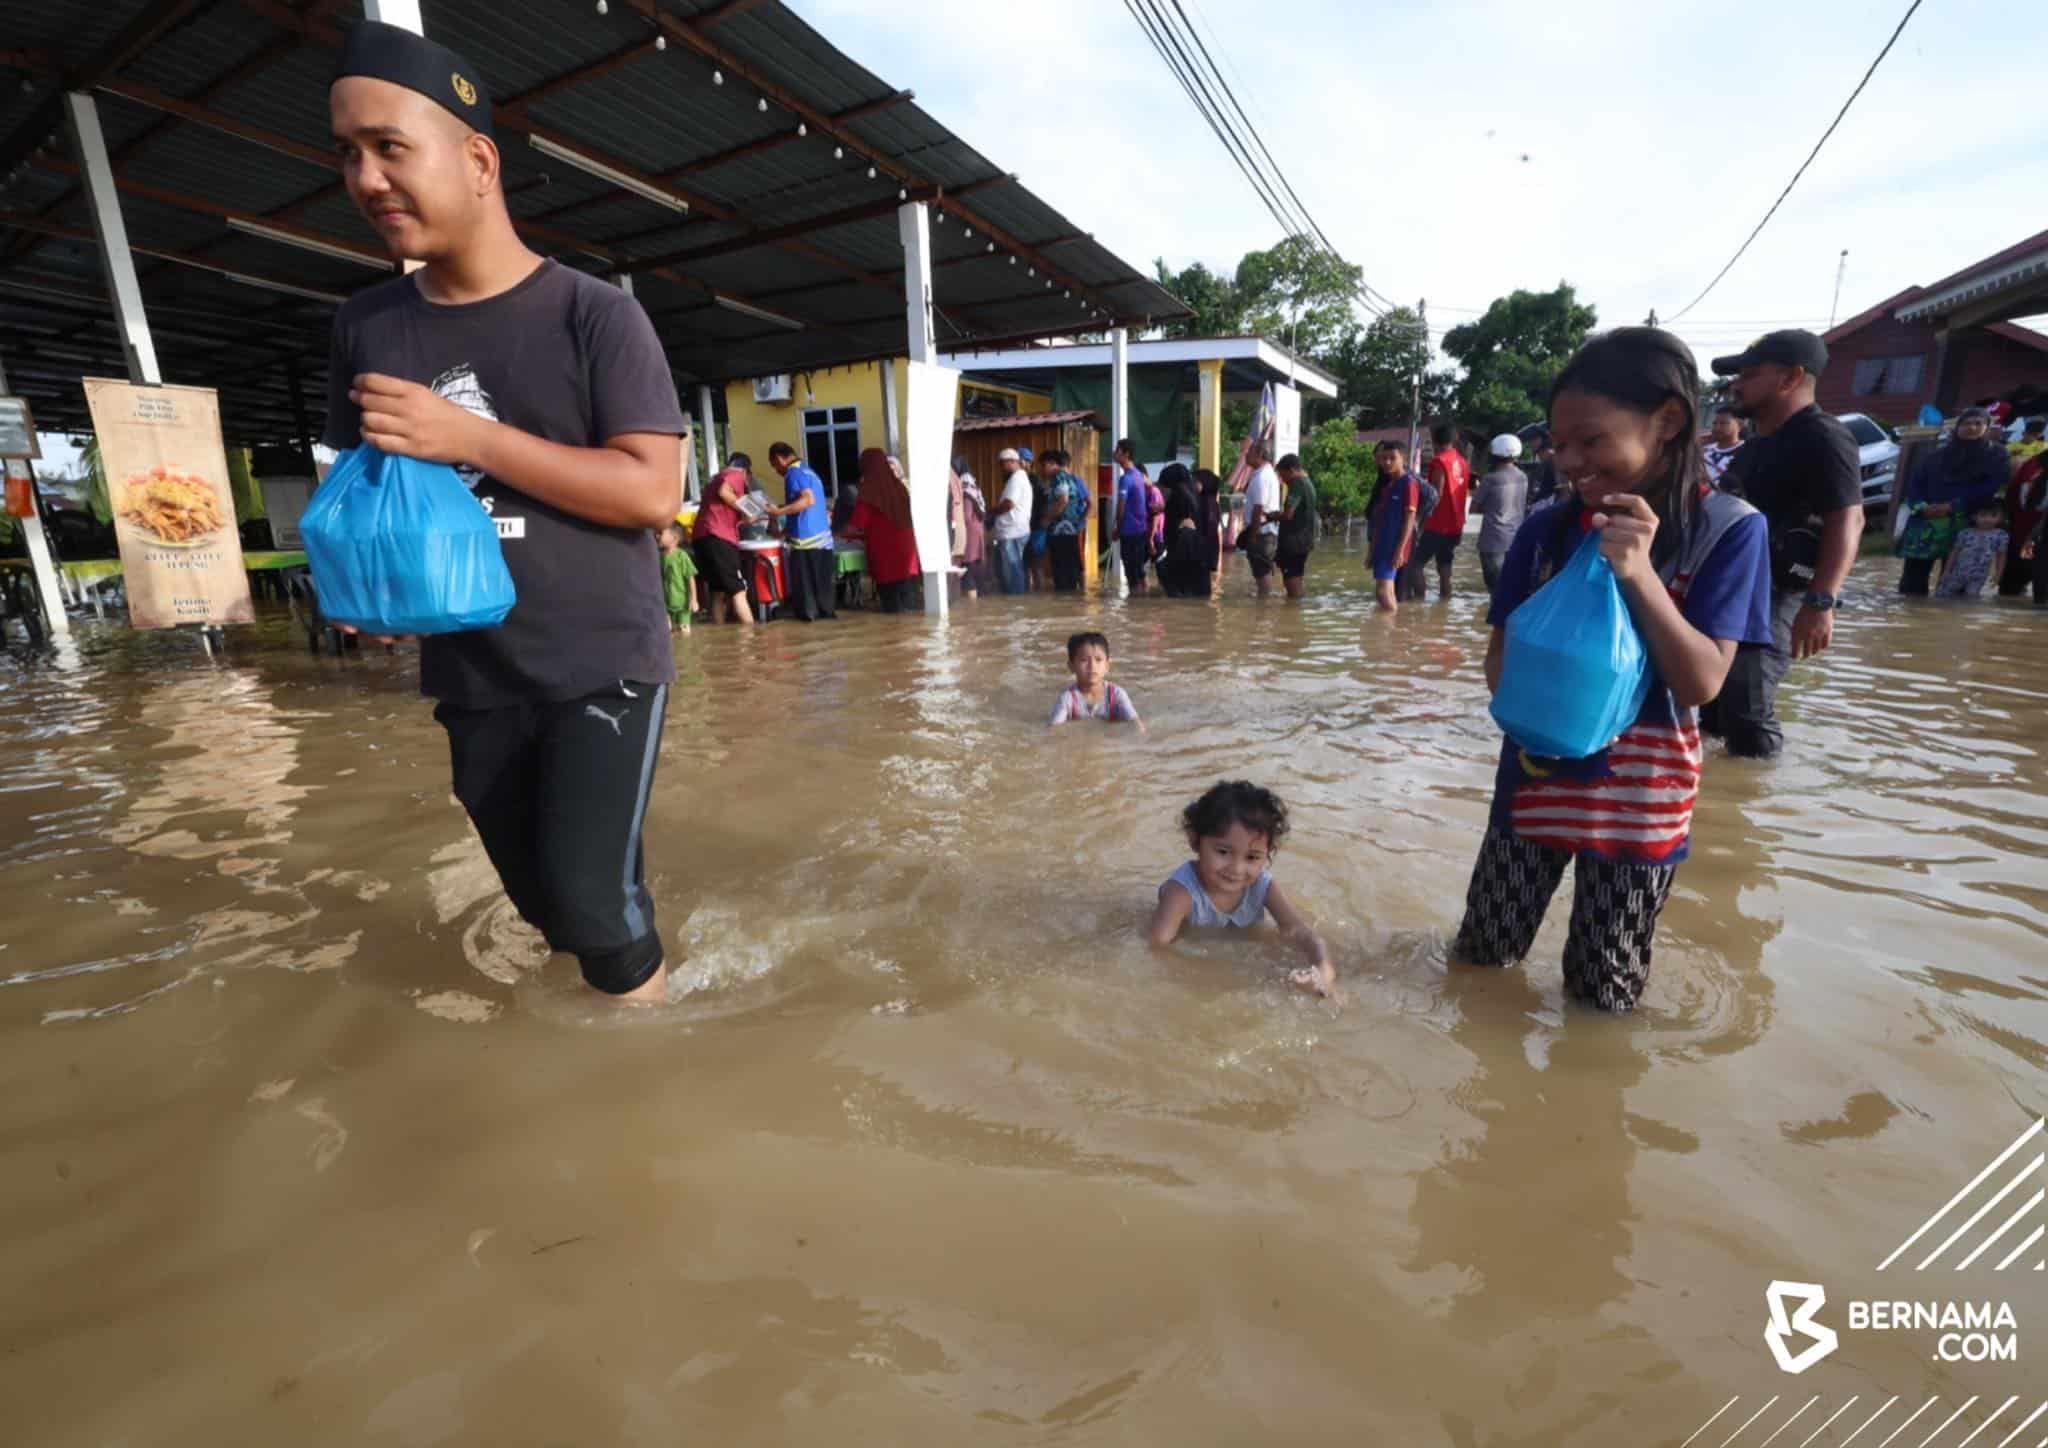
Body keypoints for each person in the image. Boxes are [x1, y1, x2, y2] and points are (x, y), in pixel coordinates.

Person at [325, 21, 687, 1003]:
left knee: (594, 908)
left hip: (597, 663)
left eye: (389, 147)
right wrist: (359, 586)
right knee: (540, 905)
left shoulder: (593, 314)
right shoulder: (365, 325)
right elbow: (362, 488)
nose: (365, 178)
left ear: (477, 159)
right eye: (348, 155)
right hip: (471, 670)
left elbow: (653, 489)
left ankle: (655, 1099)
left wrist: (469, 436)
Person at [1452, 328, 1773, 1012]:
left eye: (1590, 440)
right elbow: (1498, 666)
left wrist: (1636, 574)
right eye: (1559, 444)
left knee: (1605, 992)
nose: (1568, 460)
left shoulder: (1729, 530)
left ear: (1669, 421)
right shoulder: (1546, 530)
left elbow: (1701, 684)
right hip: (1535, 786)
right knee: (1483, 961)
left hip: (1641, 804)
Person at [1701, 329, 1863, 758]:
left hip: (1780, 593)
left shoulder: (1823, 437)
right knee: (1711, 707)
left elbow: (1849, 517)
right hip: (1734, 589)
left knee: (1748, 715)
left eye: (1749, 375)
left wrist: (1821, 602)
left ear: (1791, 379)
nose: (1736, 384)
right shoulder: (1756, 445)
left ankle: (1753, 806)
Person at [1146, 780, 1337, 1000]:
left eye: (1252, 857)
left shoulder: (1263, 886)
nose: (1236, 869)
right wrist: (1223, 977)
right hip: (1201, 952)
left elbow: (1299, 931)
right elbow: (1158, 948)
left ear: (1268, 854)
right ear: (1195, 841)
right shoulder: (1180, 894)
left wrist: (1324, 972)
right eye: (1224, 852)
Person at [1894, 407, 2008, 597]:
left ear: (1987, 428)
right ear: (1957, 428)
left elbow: (1990, 487)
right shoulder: (1936, 456)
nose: (1971, 427)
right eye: (1966, 423)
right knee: (1911, 583)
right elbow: (1916, 484)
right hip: (1926, 522)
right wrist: (1921, 506)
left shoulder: (1996, 455)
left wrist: (1954, 506)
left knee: (1957, 583)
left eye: (1978, 423)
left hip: (1967, 523)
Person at [840, 448, 922, 612]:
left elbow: (857, 525)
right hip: (909, 557)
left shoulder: (869, 490)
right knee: (910, 607)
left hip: (886, 560)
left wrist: (837, 533)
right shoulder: (900, 487)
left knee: (892, 613)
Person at [765, 442, 835, 622]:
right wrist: (784, 532)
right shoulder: (809, 471)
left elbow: (807, 500)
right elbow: (804, 511)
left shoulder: (793, 473)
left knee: (807, 602)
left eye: (774, 465)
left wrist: (778, 512)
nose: (776, 471)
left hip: (806, 544)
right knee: (824, 598)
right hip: (823, 542)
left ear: (779, 458)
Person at [1366, 440, 1430, 614]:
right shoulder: (1388, 485)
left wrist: (1401, 549)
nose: (1387, 462)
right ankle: (1392, 631)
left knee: (1383, 593)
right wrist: (1372, 550)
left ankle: (1390, 630)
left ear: (1403, 458)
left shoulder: (1409, 483)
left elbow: (1410, 519)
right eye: (1383, 458)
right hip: (1381, 544)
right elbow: (1378, 521)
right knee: (1386, 591)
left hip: (1393, 546)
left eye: (1392, 458)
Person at [692, 460, 756, 625]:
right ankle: (753, 638)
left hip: (701, 538)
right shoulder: (735, 474)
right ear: (747, 472)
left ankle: (719, 634)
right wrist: (748, 509)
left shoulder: (714, 481)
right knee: (738, 590)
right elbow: (724, 492)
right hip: (718, 538)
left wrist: (749, 515)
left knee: (717, 591)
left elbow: (733, 513)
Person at [1412, 422, 1471, 600]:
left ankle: (1417, 604)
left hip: (1438, 523)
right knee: (1444, 563)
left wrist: (1419, 520)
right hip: (1456, 524)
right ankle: (1445, 602)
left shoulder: (1440, 461)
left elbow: (1435, 494)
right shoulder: (1462, 462)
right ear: (1455, 440)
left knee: (1415, 564)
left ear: (1435, 441)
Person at [1048, 631, 1144, 729]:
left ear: (1107, 666)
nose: (1092, 666)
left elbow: (1136, 724)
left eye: (1098, 660)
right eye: (1084, 660)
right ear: (1071, 666)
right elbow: (1053, 729)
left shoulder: (1116, 694)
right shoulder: (1067, 698)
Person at [1472, 433, 1527, 592]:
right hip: (1515, 538)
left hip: (1492, 541)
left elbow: (1473, 508)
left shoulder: (1490, 479)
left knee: (1495, 590)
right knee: (1510, 587)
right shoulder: (1523, 477)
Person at [1935, 499, 2009, 599]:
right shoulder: (1965, 533)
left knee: (1971, 599)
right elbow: (1954, 553)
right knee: (1942, 595)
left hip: (1978, 577)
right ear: (1974, 517)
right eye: (1983, 515)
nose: (1988, 519)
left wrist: (1998, 576)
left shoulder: (2001, 535)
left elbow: (2001, 556)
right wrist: (1946, 571)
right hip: (1957, 573)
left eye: (1993, 516)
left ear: (1999, 518)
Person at [987, 446, 1032, 595]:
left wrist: (991, 511)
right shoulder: (1018, 478)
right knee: (1010, 570)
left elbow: (1009, 504)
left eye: (1003, 463)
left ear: (1013, 461)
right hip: (1014, 531)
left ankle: (1016, 603)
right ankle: (1014, 602)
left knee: (1013, 570)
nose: (1001, 468)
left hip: (1012, 532)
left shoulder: (1017, 478)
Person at [2001, 451, 2046, 596]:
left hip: (2026, 538)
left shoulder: (2032, 465)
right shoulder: (2032, 468)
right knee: (2012, 591)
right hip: (2027, 539)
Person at [1273, 453, 1318, 599]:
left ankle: (1292, 613)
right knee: (1297, 575)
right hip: (1304, 540)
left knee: (1291, 579)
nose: (1282, 479)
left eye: (1282, 474)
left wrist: (1273, 516)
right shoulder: (1308, 482)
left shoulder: (1297, 484)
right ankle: (1295, 613)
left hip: (1294, 542)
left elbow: (1288, 514)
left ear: (1291, 470)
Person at [1159, 463, 1207, 598]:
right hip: (1196, 569)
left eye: (1164, 488)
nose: (1162, 492)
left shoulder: (1180, 500)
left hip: (1183, 564)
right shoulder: (1193, 499)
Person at [1241, 441, 1282, 597]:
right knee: (1261, 570)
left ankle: (1264, 605)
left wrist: (1252, 534)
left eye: (1250, 451)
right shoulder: (1263, 474)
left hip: (1261, 532)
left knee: (1261, 571)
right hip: (1265, 531)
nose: (1246, 454)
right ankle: (1263, 601)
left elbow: (1259, 508)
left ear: (1260, 455)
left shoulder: (1262, 476)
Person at [1044, 449, 1088, 592]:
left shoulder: (1059, 478)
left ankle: (1064, 608)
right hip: (1070, 531)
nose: (1043, 470)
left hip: (1060, 532)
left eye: (1044, 466)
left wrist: (1047, 518)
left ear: (1052, 464)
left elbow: (1063, 500)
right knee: (1071, 572)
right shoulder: (1071, 478)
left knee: (1062, 576)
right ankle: (1072, 607)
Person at [1113, 438, 1152, 595]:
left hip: (1130, 532)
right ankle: (1144, 599)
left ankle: (1135, 609)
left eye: (1117, 451)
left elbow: (1121, 507)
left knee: (1131, 575)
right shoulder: (1139, 475)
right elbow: (1151, 485)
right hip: (1141, 530)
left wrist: (1117, 528)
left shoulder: (1126, 479)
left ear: (1126, 454)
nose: (1114, 453)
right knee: (1139, 570)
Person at [954, 455, 990, 599]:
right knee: (976, 570)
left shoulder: (965, 488)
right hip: (978, 530)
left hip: (970, 533)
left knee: (968, 571)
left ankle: (972, 608)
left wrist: (955, 526)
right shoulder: (973, 485)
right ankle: (980, 602)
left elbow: (967, 516)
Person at [1021, 445, 1050, 591]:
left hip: (1037, 527)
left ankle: (1039, 595)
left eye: (1022, 461)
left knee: (1036, 564)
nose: (1020, 464)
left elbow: (1046, 503)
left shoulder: (1036, 481)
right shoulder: (1017, 479)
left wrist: (1043, 522)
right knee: (1025, 564)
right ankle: (1030, 597)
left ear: (1029, 463)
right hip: (1025, 528)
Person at [657, 523, 695, 633]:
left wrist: (694, 599)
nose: (657, 536)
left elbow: (690, 578)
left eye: (661, 533)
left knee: (684, 631)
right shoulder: (660, 556)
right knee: (668, 631)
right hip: (666, 601)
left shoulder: (681, 556)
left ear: (674, 538)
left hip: (683, 602)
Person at [1194, 467, 1225, 596]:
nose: (1192, 483)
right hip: (1207, 553)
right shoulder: (1210, 502)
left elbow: (1211, 530)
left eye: (1195, 481)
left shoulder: (1206, 503)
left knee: (1201, 589)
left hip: (1203, 552)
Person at [1702, 405, 1744, 485]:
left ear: (1739, 425)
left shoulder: (1747, 452)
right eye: (1714, 423)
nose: (1717, 428)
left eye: (1723, 423)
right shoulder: (1704, 450)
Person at [1525, 436, 1562, 507]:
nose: (1539, 456)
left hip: (1551, 502)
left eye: (1538, 453)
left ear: (1544, 450)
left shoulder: (1551, 462)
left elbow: (1548, 487)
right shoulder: (1553, 461)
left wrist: (1534, 499)